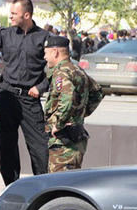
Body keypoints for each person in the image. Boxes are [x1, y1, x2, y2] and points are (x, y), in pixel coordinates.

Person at [0, 0, 51, 186]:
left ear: (27, 15)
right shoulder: (5, 35)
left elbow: (58, 70)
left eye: (14, 14)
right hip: (7, 96)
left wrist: (40, 87)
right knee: (7, 148)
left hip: (30, 100)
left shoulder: (44, 38)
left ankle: (43, 188)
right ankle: (11, 187)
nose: (10, 17)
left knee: (40, 148)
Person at [43, 36, 103, 172]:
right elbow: (97, 91)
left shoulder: (61, 73)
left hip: (64, 140)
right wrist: (82, 112)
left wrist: (58, 123)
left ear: (55, 52)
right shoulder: (76, 70)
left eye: (46, 53)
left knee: (58, 183)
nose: (44, 57)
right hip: (76, 135)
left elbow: (67, 99)